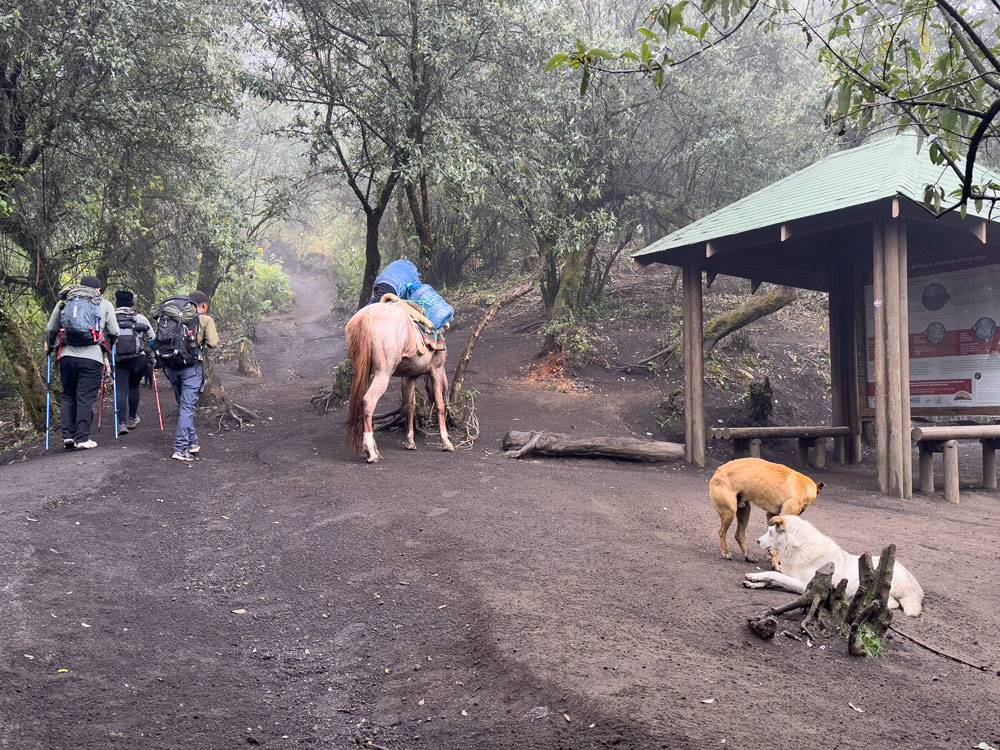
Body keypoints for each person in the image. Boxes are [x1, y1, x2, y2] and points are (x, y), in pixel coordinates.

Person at [44, 276, 120, 450]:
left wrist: (49, 346)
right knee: (85, 397)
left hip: (66, 356)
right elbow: (115, 330)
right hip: (92, 358)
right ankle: (83, 438)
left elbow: (50, 328)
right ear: (98, 290)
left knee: (68, 395)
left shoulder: (65, 302)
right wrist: (109, 345)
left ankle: (68, 436)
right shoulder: (103, 303)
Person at [160, 290, 219, 461]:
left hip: (171, 366)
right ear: (203, 305)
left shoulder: (172, 315)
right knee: (187, 408)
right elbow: (213, 342)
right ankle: (180, 448)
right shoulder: (204, 319)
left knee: (184, 406)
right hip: (191, 368)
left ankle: (192, 443)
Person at [112, 290, 154, 436]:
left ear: (117, 303)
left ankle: (121, 423)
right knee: (134, 386)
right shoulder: (140, 318)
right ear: (132, 304)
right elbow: (152, 337)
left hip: (118, 360)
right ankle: (132, 418)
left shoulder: (111, 317)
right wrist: (155, 355)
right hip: (138, 359)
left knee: (121, 389)